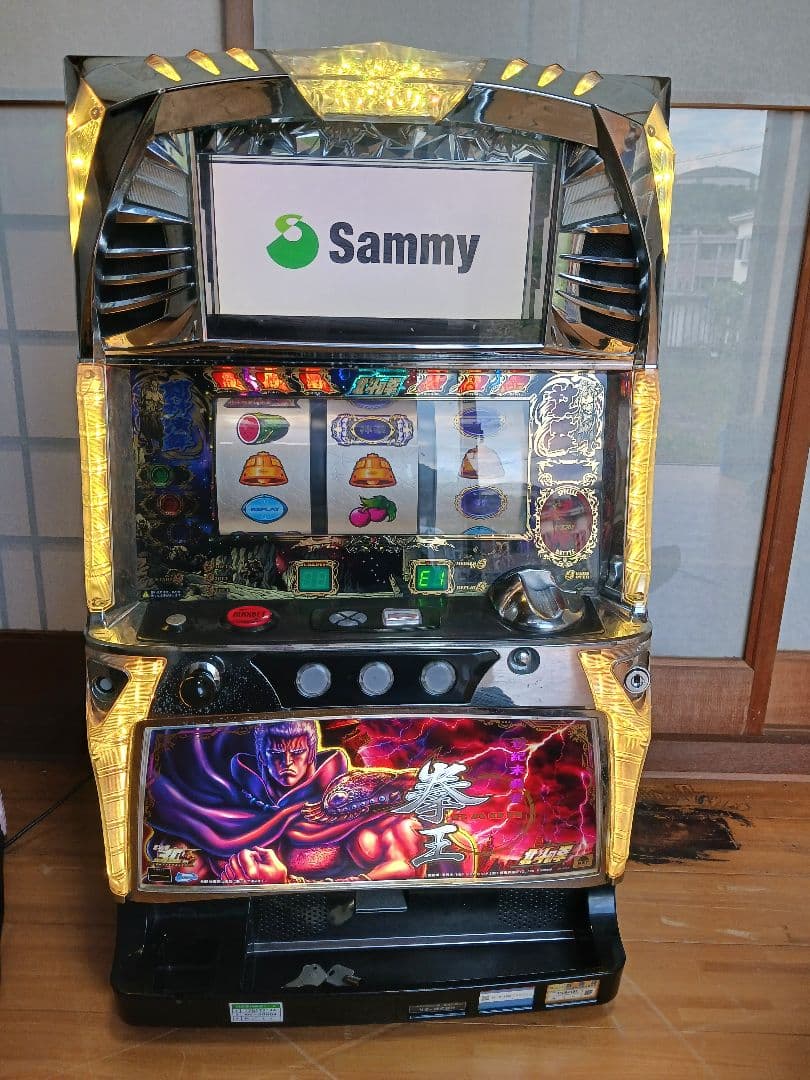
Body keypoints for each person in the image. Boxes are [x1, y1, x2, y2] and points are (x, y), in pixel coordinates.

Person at [145, 718, 425, 885]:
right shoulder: (227, 800)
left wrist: (289, 883)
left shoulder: (352, 799)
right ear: (261, 755)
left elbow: (405, 867)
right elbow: (167, 870)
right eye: (277, 755)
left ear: (312, 752)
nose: (287, 764)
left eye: (297, 753)